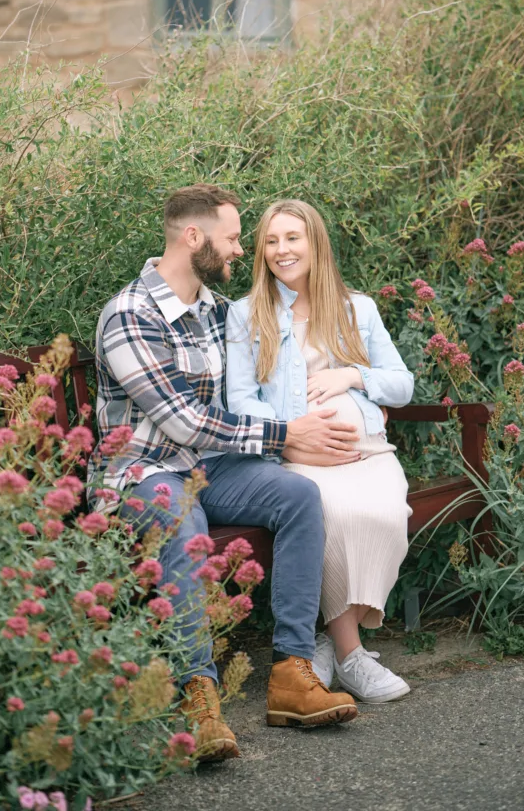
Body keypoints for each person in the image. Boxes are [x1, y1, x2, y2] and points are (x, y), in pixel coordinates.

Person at [89, 185, 362, 763]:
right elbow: (183, 422)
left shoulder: (216, 311)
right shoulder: (129, 315)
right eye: (234, 237)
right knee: (183, 525)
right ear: (194, 238)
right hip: (145, 471)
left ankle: (292, 673)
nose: (242, 249)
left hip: (211, 466)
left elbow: (241, 398)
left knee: (298, 495)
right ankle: (199, 696)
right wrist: (287, 435)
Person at [226, 199, 414, 704]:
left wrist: (350, 375)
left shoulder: (359, 308)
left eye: (293, 238)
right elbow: (239, 402)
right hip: (297, 458)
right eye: (271, 240)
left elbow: (401, 385)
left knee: (386, 515)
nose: (282, 250)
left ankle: (328, 643)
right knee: (334, 514)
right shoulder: (246, 316)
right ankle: (353, 657)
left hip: (367, 452)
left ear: (315, 244)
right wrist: (297, 437)